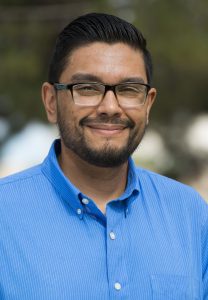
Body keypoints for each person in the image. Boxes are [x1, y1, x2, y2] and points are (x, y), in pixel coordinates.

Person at [0, 12, 207, 300]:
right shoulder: (4, 214)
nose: (110, 107)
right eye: (87, 88)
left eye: (129, 89)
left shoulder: (190, 214)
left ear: (148, 104)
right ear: (51, 102)